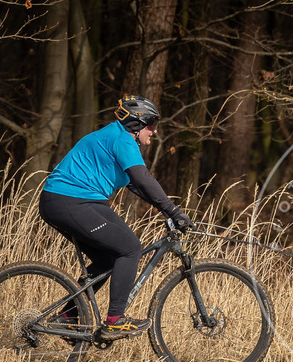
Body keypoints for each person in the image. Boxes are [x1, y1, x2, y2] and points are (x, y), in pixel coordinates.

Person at [39, 95, 195, 340]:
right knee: (130, 248)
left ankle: (67, 316)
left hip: (77, 201)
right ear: (136, 123)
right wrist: (174, 212)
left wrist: (167, 211)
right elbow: (143, 179)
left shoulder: (114, 136)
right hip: (68, 200)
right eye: (151, 125)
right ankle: (115, 321)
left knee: (111, 259)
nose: (153, 131)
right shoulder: (122, 139)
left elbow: (137, 184)